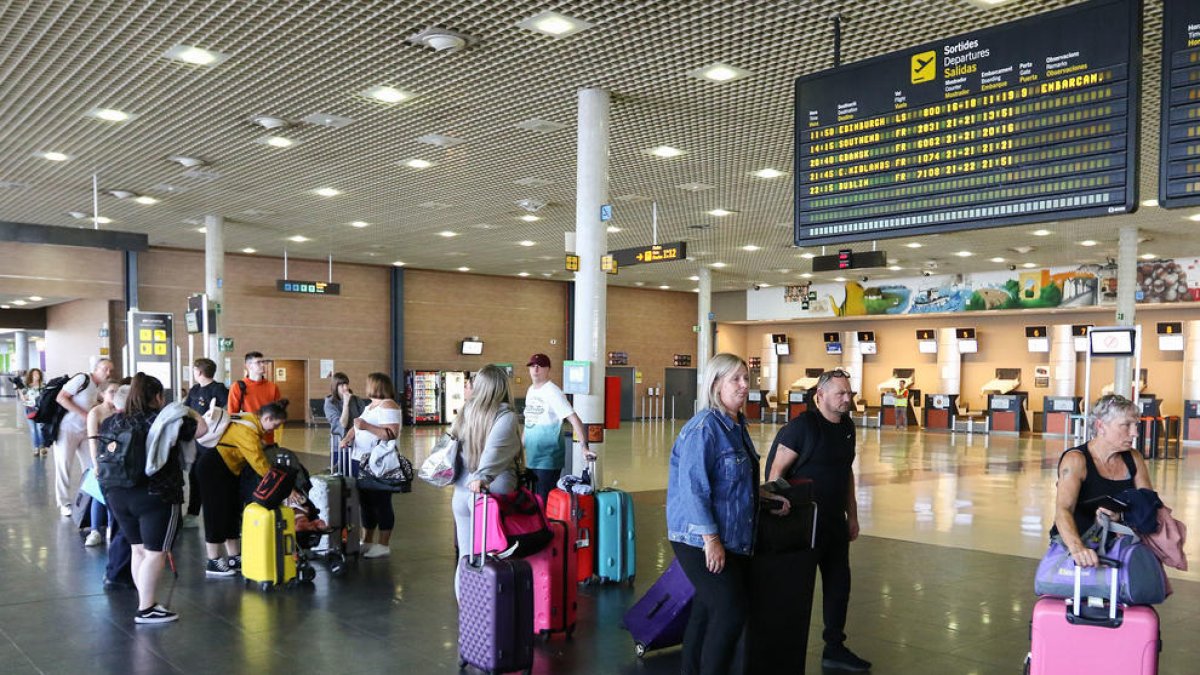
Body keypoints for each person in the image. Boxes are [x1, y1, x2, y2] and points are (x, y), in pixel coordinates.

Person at [666, 353, 790, 675]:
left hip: (731, 535)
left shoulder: (736, 425)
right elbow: (693, 488)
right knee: (731, 610)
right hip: (697, 537)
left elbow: (731, 479)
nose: (743, 385)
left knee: (706, 610)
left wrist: (762, 495)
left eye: (746, 378)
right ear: (715, 383)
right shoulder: (704, 428)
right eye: (735, 379)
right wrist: (711, 540)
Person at [766, 369, 871, 672]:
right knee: (796, 589)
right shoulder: (802, 428)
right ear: (820, 396)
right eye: (840, 393)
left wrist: (852, 513)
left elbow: (845, 470)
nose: (847, 398)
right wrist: (779, 511)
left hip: (834, 522)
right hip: (803, 524)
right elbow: (775, 474)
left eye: (849, 393)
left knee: (839, 584)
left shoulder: (847, 427)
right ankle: (782, 648)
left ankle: (834, 647)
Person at [99, 373, 198, 624]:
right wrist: (189, 410)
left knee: (138, 549)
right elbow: (204, 430)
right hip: (156, 494)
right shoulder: (164, 420)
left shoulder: (111, 422)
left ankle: (146, 602)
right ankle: (146, 608)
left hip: (117, 494)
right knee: (156, 552)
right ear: (157, 397)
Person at [1052, 394, 1152, 568]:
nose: (1135, 433)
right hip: (1080, 543)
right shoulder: (1076, 460)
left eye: (1136, 425)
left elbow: (1149, 503)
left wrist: (1121, 516)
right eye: (1126, 425)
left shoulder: (1134, 458)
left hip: (1120, 547)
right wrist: (1077, 549)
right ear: (1101, 426)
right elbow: (1063, 510)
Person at [450, 365, 523, 595]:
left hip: (461, 492)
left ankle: (468, 610)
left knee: (465, 555)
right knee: (494, 557)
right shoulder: (505, 416)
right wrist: (482, 478)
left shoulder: (465, 411)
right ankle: (490, 612)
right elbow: (495, 451)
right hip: (490, 493)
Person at [197, 400, 288, 577]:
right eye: (275, 425)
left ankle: (234, 556)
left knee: (231, 511)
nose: (274, 429)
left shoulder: (250, 419)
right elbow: (259, 462)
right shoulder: (248, 431)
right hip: (213, 468)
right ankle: (212, 560)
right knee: (215, 513)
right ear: (267, 418)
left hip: (227, 469)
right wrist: (280, 484)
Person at [339, 373, 402, 559]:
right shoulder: (370, 406)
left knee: (381, 502)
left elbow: (391, 433)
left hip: (380, 463)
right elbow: (357, 426)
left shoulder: (388, 405)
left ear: (375, 386)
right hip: (362, 460)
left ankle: (383, 544)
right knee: (366, 502)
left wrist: (366, 427)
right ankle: (367, 540)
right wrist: (348, 438)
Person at [522, 353, 591, 503]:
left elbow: (574, 419)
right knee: (531, 501)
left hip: (547, 458)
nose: (535, 369)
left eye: (540, 366)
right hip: (531, 457)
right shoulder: (531, 391)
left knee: (543, 501)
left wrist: (584, 447)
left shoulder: (553, 392)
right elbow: (529, 422)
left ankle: (546, 526)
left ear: (548, 369)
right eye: (533, 366)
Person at [53, 357, 114, 517]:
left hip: (85, 431)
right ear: (96, 369)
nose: (108, 373)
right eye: (105, 369)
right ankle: (64, 502)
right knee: (64, 465)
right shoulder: (82, 379)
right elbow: (60, 398)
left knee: (91, 465)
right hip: (67, 429)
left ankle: (88, 498)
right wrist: (84, 414)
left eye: (110, 370)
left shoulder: (97, 387)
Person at [182, 358, 229, 528]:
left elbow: (226, 411)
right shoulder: (194, 390)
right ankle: (193, 513)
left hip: (213, 442)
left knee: (211, 477)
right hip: (196, 441)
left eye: (194, 370)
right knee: (194, 476)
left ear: (199, 372)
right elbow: (186, 409)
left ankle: (219, 513)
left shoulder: (219, 389)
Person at [83, 380, 120, 546]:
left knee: (114, 496)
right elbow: (92, 440)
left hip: (118, 458)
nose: (115, 394)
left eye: (117, 391)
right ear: (103, 394)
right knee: (99, 495)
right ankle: (95, 530)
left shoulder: (120, 411)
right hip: (102, 458)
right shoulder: (95, 413)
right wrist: (95, 463)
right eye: (111, 391)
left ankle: (112, 527)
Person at [227, 351, 282, 444]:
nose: (263, 365)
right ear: (248, 366)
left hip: (267, 437)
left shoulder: (273, 387)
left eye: (263, 362)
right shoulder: (238, 386)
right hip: (246, 436)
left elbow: (278, 412)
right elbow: (232, 414)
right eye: (258, 362)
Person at [324, 371, 367, 444]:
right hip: (339, 444)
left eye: (346, 384)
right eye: (342, 385)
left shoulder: (356, 400)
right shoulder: (329, 403)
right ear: (335, 387)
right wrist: (346, 404)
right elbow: (343, 425)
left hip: (358, 442)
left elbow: (366, 418)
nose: (346, 387)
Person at [18, 368, 48, 456]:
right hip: (29, 409)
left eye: (37, 374)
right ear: (31, 375)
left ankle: (42, 447)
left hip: (40, 410)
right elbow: (24, 399)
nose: (36, 376)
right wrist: (19, 390)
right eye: (34, 374)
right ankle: (36, 447)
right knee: (33, 430)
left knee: (40, 429)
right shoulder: (27, 386)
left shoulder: (43, 386)